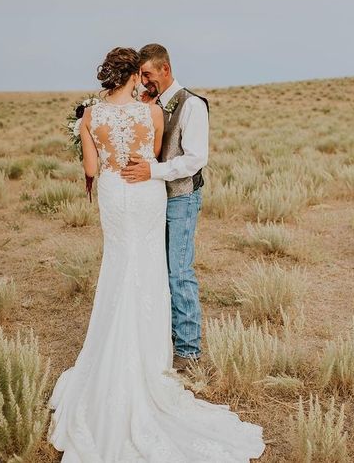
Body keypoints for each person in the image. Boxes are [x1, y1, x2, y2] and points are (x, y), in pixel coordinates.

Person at [47, 46, 266, 462]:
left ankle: (173, 350)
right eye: (141, 75)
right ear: (134, 76)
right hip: (147, 194)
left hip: (117, 192)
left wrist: (92, 143)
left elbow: (92, 171)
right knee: (148, 269)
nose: (145, 81)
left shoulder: (91, 116)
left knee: (123, 266)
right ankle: (154, 361)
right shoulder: (152, 113)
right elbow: (151, 152)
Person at [120, 43, 207, 372]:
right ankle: (165, 338)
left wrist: (151, 171)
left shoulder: (192, 105)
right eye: (141, 75)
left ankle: (189, 351)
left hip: (182, 197)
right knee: (158, 270)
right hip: (154, 201)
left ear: (166, 69)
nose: (144, 81)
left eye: (148, 74)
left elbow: (195, 159)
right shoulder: (149, 103)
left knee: (179, 273)